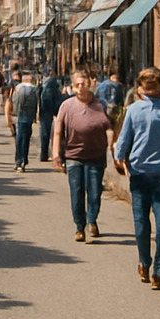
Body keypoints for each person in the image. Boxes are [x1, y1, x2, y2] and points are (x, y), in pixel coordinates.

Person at [114, 67, 160, 290]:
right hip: (153, 173)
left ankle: (152, 267)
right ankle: (152, 267)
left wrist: (119, 159)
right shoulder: (158, 109)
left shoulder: (148, 109)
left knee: (149, 223)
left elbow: (124, 140)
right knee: (156, 224)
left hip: (151, 174)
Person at [53, 71, 113, 242]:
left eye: (84, 83)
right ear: (73, 86)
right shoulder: (67, 106)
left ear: (90, 84)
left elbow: (109, 127)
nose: (81, 87)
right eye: (77, 84)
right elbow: (58, 131)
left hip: (96, 155)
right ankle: (80, 226)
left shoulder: (100, 105)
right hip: (73, 155)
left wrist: (112, 146)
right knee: (77, 191)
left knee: (94, 191)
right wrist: (56, 154)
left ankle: (92, 220)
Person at [9, 70, 40, 172]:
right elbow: (36, 103)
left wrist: (13, 115)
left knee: (19, 138)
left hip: (20, 116)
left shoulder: (18, 89)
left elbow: (14, 102)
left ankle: (19, 159)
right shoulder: (34, 89)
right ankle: (24, 159)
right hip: (29, 117)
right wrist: (35, 116)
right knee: (26, 138)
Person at [38, 71, 66, 164]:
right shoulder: (54, 84)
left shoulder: (46, 83)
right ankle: (47, 154)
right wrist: (55, 110)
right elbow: (53, 98)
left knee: (44, 132)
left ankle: (44, 153)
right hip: (48, 110)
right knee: (49, 132)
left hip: (44, 110)